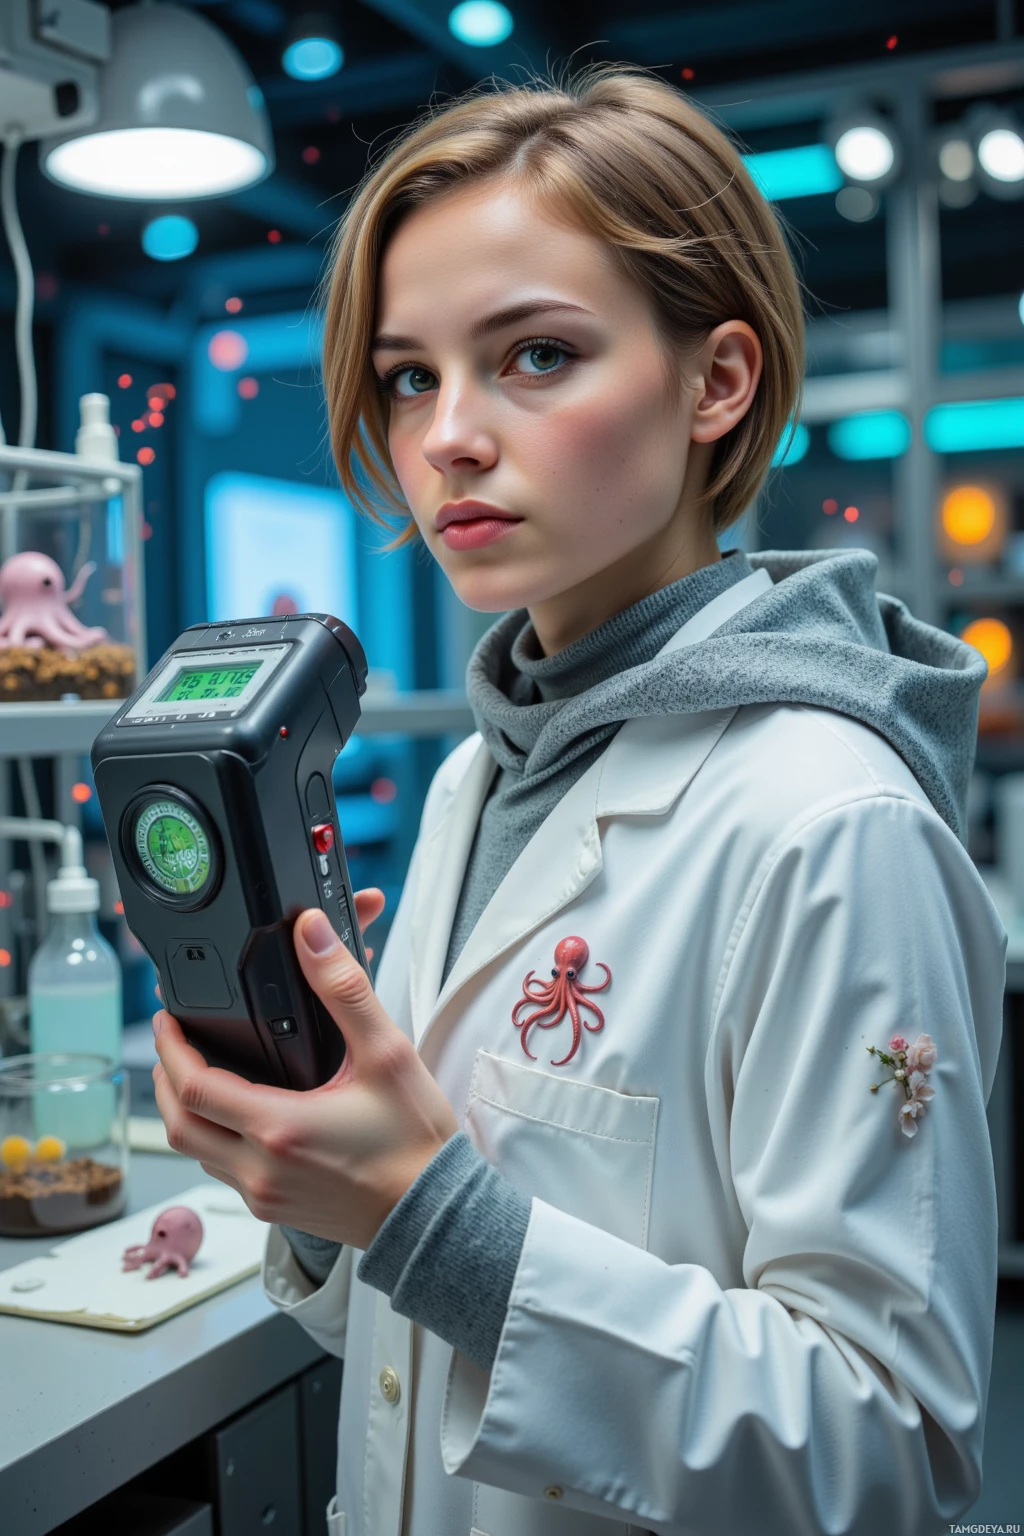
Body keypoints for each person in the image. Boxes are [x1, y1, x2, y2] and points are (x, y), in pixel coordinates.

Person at [150, 63, 1007, 1536]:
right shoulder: (484, 775)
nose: (447, 438)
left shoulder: (829, 822)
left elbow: (893, 1446)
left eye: (534, 356)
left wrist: (426, 1213)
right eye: (412, 375)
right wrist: (311, 1167)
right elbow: (423, 1347)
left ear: (716, 381)